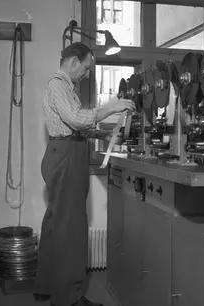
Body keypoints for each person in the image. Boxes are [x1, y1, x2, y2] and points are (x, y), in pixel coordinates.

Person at [35, 42, 135, 306]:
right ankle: (69, 297)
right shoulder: (58, 85)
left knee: (57, 223)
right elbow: (76, 119)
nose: (87, 74)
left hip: (67, 153)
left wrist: (102, 133)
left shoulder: (67, 88)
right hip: (66, 156)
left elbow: (76, 126)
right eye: (87, 68)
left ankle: (49, 286)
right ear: (74, 62)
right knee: (71, 228)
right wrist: (112, 107)